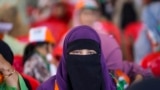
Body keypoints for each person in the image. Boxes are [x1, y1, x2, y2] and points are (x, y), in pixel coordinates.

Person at [38, 26, 116, 90]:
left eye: (90, 53)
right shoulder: (47, 88)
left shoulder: (113, 86)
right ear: (66, 57)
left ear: (99, 56)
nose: (84, 59)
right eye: (77, 52)